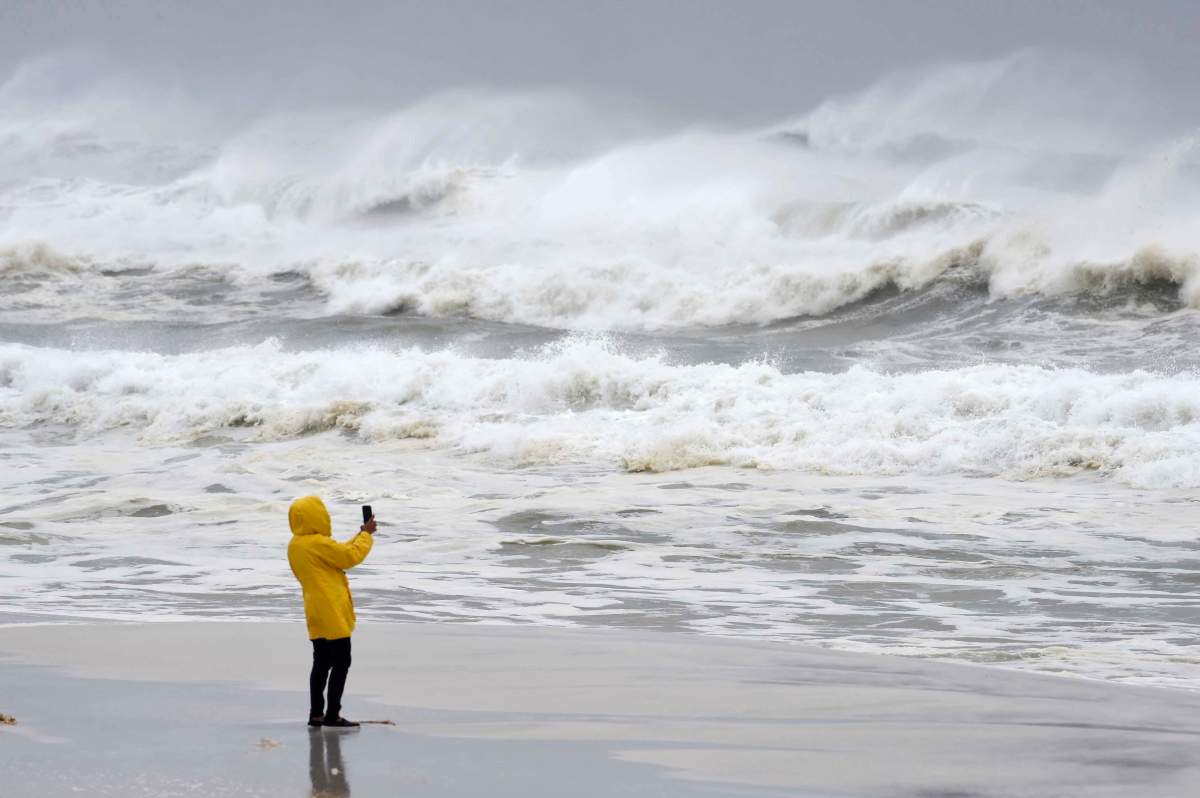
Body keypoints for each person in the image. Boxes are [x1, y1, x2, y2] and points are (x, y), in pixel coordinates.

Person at [287, 495, 375, 728]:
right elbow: (348, 556)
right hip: (332, 609)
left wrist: (360, 535)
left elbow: (337, 552)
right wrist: (366, 536)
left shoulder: (295, 545)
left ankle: (316, 713)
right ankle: (332, 714)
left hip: (314, 608)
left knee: (321, 662)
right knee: (342, 660)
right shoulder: (318, 543)